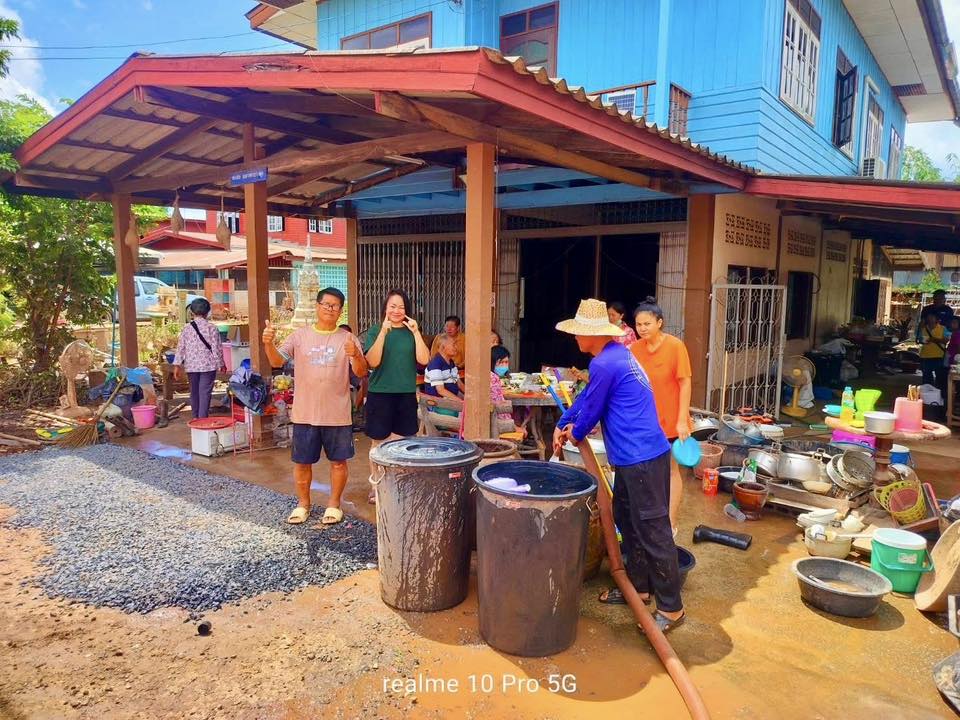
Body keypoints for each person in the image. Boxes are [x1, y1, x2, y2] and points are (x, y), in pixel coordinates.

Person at [552, 298, 684, 634]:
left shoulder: (607, 363)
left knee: (653, 529)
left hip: (642, 457)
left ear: (592, 335)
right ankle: (638, 588)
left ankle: (671, 608)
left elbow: (592, 410)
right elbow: (586, 398)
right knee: (628, 520)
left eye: (579, 332)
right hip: (630, 457)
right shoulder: (611, 357)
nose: (575, 338)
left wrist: (572, 433)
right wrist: (564, 420)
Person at [262, 288, 367, 525]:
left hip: (337, 413)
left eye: (335, 306)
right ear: (317, 306)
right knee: (302, 462)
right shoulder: (300, 336)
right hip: (305, 412)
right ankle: (303, 504)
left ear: (341, 311)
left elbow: (361, 373)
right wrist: (268, 344)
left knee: (339, 462)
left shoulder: (348, 339)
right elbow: (278, 361)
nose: (330, 309)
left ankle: (334, 505)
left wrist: (356, 356)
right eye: (326, 304)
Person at [631, 297, 692, 536]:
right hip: (645, 422)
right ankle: (648, 520)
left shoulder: (676, 346)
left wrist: (682, 419)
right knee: (645, 471)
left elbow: (685, 383)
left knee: (671, 471)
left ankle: (671, 523)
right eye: (638, 324)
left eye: (647, 323)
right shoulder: (634, 350)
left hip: (672, 421)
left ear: (660, 323)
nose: (642, 328)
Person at [364, 289, 431, 501]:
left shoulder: (411, 333)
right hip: (380, 394)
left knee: (403, 443)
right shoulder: (375, 331)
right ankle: (377, 486)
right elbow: (372, 361)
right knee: (378, 443)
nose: (397, 310)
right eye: (392, 306)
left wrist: (416, 332)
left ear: (407, 310)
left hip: (405, 394)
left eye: (401, 307)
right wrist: (384, 332)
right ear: (385, 308)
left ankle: (400, 484)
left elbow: (424, 359)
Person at [172, 297, 225, 420]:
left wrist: (177, 365)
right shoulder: (212, 328)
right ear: (208, 312)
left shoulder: (186, 328)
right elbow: (217, 349)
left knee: (194, 392)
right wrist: (221, 364)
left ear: (191, 312)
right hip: (208, 365)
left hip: (191, 366)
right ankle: (202, 419)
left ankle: (195, 417)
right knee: (205, 392)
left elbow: (181, 348)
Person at [424, 335, 464, 413]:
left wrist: (471, 398)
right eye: (453, 344)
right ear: (443, 348)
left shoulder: (451, 362)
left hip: (449, 401)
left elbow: (459, 384)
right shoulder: (436, 364)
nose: (456, 347)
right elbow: (441, 391)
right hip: (437, 404)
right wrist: (461, 402)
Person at [491, 345, 524, 435]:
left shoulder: (492, 376)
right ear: (492, 362)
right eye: (501, 362)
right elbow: (498, 408)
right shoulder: (493, 378)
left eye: (506, 362)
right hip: (495, 423)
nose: (504, 366)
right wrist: (513, 427)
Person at [919, 311, 948, 389]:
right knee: (926, 378)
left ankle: (940, 394)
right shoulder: (923, 328)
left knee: (940, 377)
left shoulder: (943, 328)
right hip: (925, 355)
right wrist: (923, 341)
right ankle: (928, 394)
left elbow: (946, 340)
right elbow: (919, 339)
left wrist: (933, 339)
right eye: (928, 317)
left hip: (938, 355)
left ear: (936, 319)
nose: (930, 318)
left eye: (932, 317)